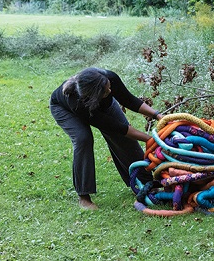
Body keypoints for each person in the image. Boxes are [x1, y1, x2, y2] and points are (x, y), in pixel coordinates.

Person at [50, 67, 162, 210]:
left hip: (98, 104)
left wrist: (157, 115)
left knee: (124, 141)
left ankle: (146, 183)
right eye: (106, 90)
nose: (110, 91)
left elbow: (129, 100)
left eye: (108, 86)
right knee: (83, 139)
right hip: (64, 109)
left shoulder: (108, 78)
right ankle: (84, 197)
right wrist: (151, 140)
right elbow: (120, 128)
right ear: (95, 95)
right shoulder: (78, 103)